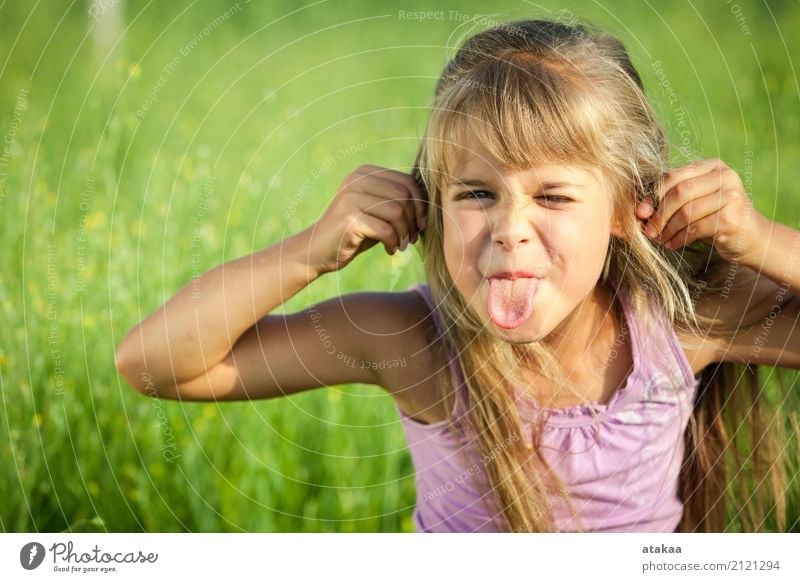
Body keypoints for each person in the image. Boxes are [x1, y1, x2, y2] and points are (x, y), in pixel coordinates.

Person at [115, 18, 800, 533]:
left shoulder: (676, 326)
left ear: (626, 207)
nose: (509, 227)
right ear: (435, 206)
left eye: (553, 196)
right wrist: (308, 252)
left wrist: (759, 239)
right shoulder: (416, 344)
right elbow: (152, 363)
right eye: (476, 193)